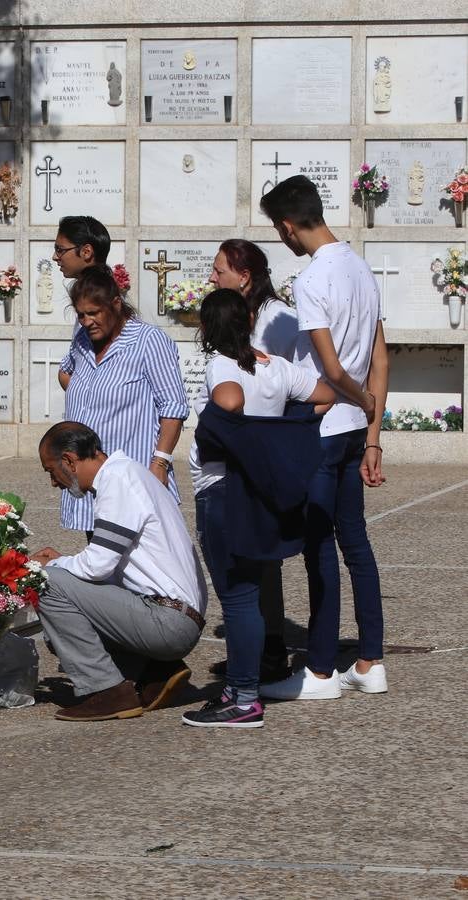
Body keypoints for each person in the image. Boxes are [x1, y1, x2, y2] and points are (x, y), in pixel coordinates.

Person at [183, 289, 348, 728]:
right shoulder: (275, 366)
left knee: (237, 598)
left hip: (222, 491)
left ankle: (243, 697)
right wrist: (281, 428)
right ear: (249, 321)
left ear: (207, 329)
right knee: (248, 596)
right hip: (258, 493)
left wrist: (241, 431)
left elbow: (230, 401)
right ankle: (243, 690)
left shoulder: (222, 364)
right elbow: (324, 393)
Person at [257, 175, 389, 701]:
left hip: (323, 427)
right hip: (355, 432)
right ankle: (370, 661)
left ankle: (318, 673)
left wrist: (357, 400)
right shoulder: (361, 267)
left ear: (288, 226)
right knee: (356, 543)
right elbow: (380, 357)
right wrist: (373, 432)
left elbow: (330, 367)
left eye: (277, 228)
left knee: (319, 549)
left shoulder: (312, 280)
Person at [31, 421, 208, 721]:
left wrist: (52, 565)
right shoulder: (128, 472)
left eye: (51, 471)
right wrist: (64, 561)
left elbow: (97, 567)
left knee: (47, 584)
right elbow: (106, 567)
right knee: (61, 611)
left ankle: (108, 692)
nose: (54, 482)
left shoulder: (117, 482)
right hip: (176, 616)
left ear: (69, 461)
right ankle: (153, 672)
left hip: (169, 622)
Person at [205, 238, 299, 681]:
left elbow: (286, 378)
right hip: (256, 453)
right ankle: (263, 649)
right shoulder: (249, 317)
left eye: (219, 270)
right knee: (261, 562)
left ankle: (269, 651)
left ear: (244, 277)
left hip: (262, 454)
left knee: (260, 561)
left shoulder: (273, 320)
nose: (212, 277)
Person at [56, 268, 189, 534]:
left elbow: (173, 407)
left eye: (94, 313)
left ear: (116, 303)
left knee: (136, 566)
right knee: (99, 562)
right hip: (89, 476)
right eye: (81, 315)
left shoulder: (149, 341)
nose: (86, 321)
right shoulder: (82, 340)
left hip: (133, 476)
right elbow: (65, 371)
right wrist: (90, 398)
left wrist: (160, 462)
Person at [52, 215, 111, 279]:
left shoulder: (94, 288)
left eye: (60, 250)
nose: (54, 257)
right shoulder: (101, 287)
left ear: (86, 252)